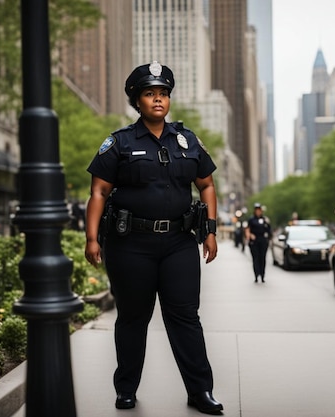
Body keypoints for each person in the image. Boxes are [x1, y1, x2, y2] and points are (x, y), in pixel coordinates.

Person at [84, 61, 223, 415]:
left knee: (185, 317)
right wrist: (92, 239)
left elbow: (206, 185)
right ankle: (126, 390)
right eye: (150, 94)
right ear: (137, 100)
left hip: (178, 242)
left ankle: (200, 391)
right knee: (133, 318)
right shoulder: (119, 143)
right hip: (131, 245)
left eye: (163, 93)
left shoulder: (187, 140)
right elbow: (99, 191)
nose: (158, 100)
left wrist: (210, 231)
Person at [245, 203, 272, 283]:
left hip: (263, 240)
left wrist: (268, 238)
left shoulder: (265, 219)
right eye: (256, 210)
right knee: (255, 258)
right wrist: (250, 235)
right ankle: (256, 275)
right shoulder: (251, 219)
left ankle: (262, 275)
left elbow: (269, 230)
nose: (258, 212)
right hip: (254, 241)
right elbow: (247, 229)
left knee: (262, 258)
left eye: (259, 210)